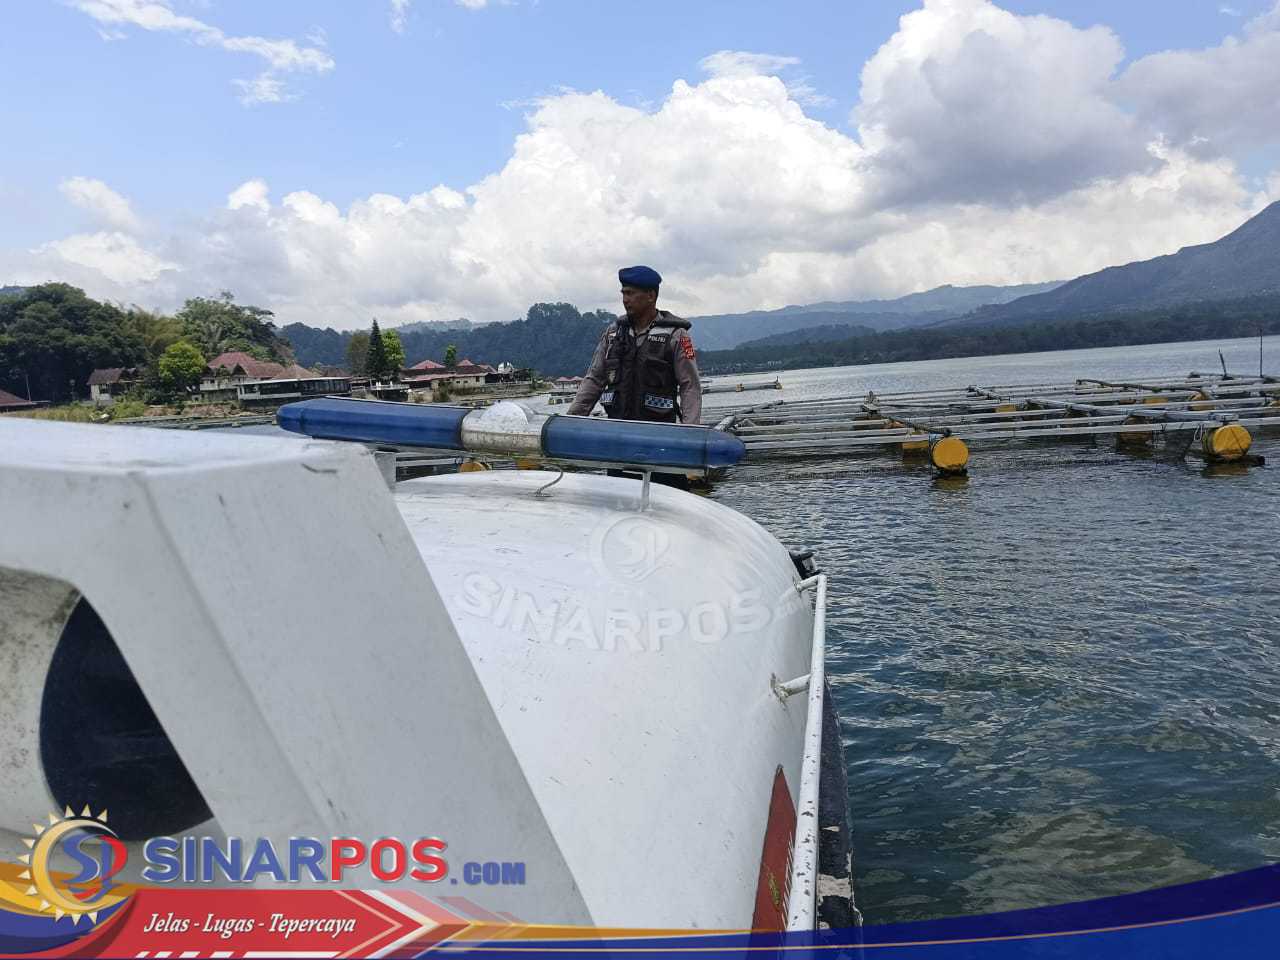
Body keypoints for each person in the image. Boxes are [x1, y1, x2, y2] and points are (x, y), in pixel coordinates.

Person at [568, 266, 702, 490]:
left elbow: (690, 387)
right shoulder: (613, 335)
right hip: (619, 440)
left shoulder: (676, 335)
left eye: (631, 293)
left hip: (660, 442)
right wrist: (572, 421)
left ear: (651, 295)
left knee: (668, 502)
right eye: (623, 293)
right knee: (618, 501)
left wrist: (690, 434)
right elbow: (594, 380)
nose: (625, 299)